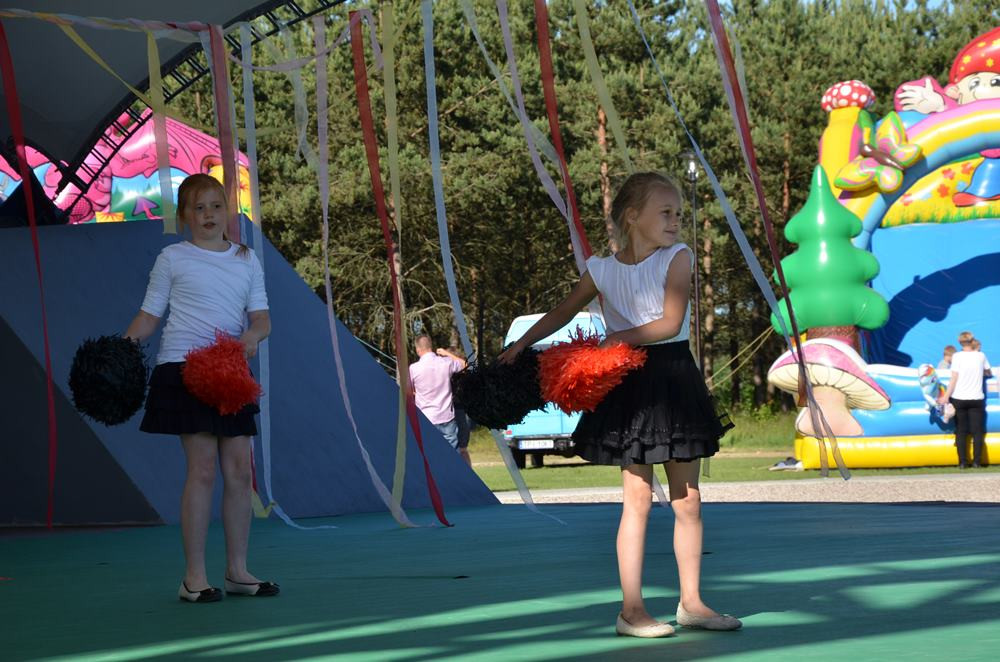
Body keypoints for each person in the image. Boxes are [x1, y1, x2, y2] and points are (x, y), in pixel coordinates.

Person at [500, 172, 738, 638]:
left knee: (687, 501)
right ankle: (632, 611)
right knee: (637, 501)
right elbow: (563, 312)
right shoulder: (601, 269)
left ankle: (691, 603)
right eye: (665, 212)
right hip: (628, 385)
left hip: (672, 380)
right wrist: (520, 345)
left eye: (677, 214)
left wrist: (615, 337)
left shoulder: (679, 258)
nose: (675, 221)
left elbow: (669, 323)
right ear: (633, 217)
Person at [124, 174, 278, 603]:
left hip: (230, 374)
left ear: (227, 209)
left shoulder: (247, 259)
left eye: (216, 205)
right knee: (204, 469)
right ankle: (194, 577)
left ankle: (237, 571)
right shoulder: (172, 258)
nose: (208, 214)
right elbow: (149, 317)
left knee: (239, 472)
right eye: (199, 208)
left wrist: (251, 338)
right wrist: (118, 351)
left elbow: (262, 319)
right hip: (182, 369)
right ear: (184, 216)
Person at [939, 331, 993, 468]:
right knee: (977, 431)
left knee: (961, 431)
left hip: (959, 398)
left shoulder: (956, 357)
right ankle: (977, 462)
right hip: (976, 398)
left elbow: (954, 379)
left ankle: (963, 462)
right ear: (972, 340)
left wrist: (946, 396)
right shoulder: (981, 356)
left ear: (960, 342)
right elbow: (988, 372)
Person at [409, 335, 466, 451]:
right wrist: (447, 353)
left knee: (430, 459)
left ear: (417, 349)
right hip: (446, 418)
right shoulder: (446, 362)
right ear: (431, 346)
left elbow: (408, 393)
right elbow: (465, 365)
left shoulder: (414, 368)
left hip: (426, 418)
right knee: (452, 458)